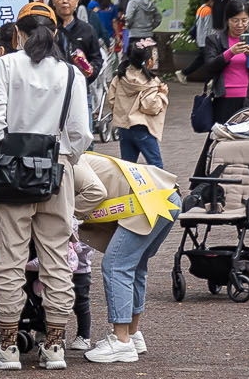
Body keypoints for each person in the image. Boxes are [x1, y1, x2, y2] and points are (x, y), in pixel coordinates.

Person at [0, 8, 93, 370]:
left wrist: (4, 155)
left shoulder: (5, 66)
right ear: (55, 33)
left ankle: (9, 347)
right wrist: (62, 159)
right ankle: (54, 346)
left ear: (18, 36)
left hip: (10, 174)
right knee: (57, 260)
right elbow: (81, 135)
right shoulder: (72, 74)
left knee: (8, 261)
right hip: (56, 173)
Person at [71, 151, 179, 363]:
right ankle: (132, 334)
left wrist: (67, 215)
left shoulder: (68, 161)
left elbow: (95, 192)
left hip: (146, 201)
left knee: (116, 266)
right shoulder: (79, 155)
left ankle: (121, 342)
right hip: (167, 196)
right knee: (136, 266)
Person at [184, 0, 249, 123]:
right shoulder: (215, 40)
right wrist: (230, 52)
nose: (240, 25)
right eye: (235, 20)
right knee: (221, 138)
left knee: (247, 140)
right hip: (224, 98)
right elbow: (210, 65)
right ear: (227, 20)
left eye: (244, 20)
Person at [105, 35, 170, 167]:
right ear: (148, 61)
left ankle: (128, 188)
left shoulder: (120, 77)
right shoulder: (150, 82)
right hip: (143, 128)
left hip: (124, 128)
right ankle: (160, 187)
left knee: (128, 167)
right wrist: (162, 95)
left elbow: (111, 101)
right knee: (156, 165)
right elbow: (150, 106)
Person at [52, 0, 103, 77]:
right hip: (53, 88)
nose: (65, 1)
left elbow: (97, 59)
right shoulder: (47, 28)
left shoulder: (87, 30)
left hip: (80, 87)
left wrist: (91, 71)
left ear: (76, 2)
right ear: (54, 1)